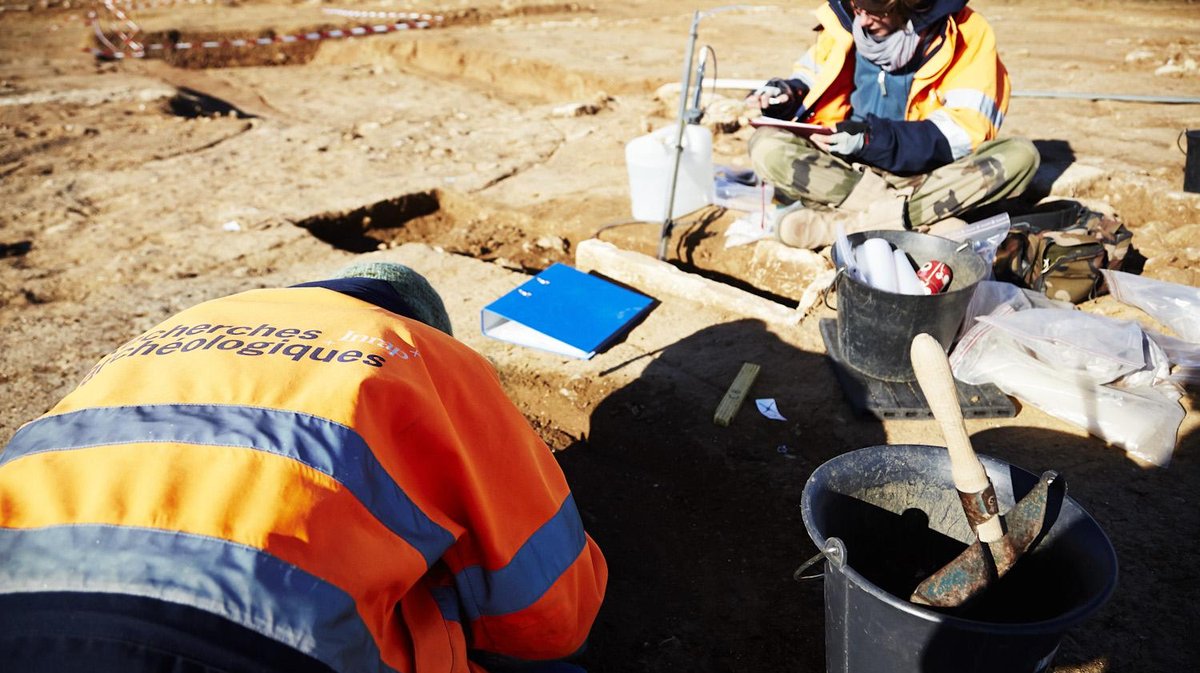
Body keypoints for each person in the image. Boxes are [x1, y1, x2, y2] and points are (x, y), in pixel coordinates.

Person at [0, 261, 607, 673]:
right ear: (423, 323)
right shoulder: (421, 352)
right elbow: (551, 621)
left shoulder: (169, 333)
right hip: (250, 639)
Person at [747, 0, 1040, 249]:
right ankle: (918, 221)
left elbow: (964, 131)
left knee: (1021, 156)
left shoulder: (967, 34)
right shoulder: (844, 23)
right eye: (855, 6)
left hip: (926, 175)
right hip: (848, 170)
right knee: (765, 145)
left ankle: (850, 226)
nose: (861, 19)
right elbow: (814, 79)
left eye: (874, 10)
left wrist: (873, 140)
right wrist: (786, 93)